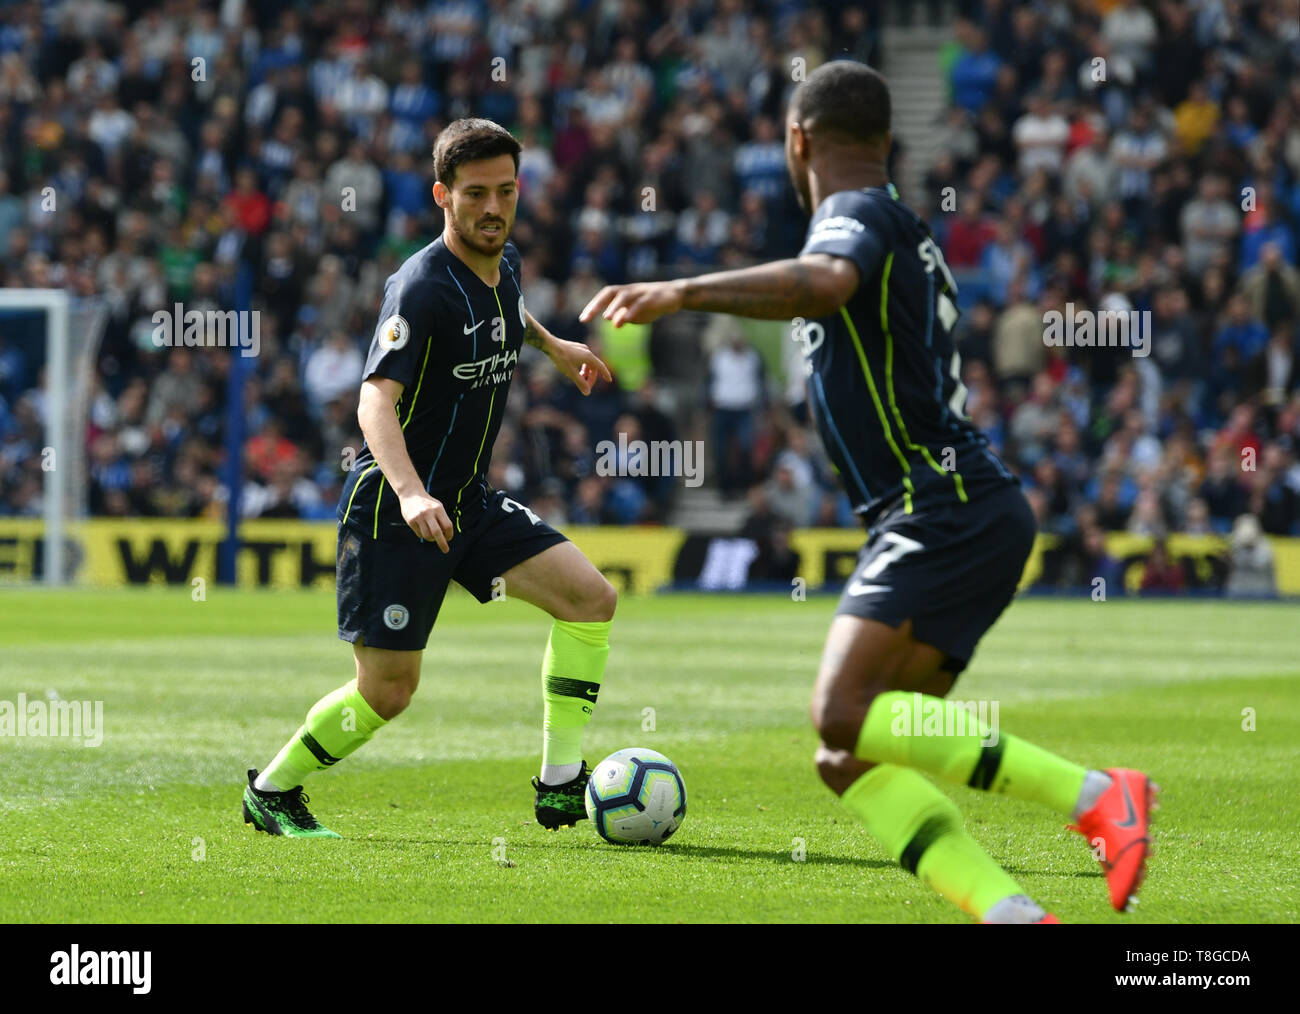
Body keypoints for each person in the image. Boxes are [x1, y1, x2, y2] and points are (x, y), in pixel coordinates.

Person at [580, 62, 1154, 923]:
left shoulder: (853, 219)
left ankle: (1100, 795)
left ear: (797, 140)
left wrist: (685, 291)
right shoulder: (907, 229)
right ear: (885, 141)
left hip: (940, 506)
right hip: (963, 507)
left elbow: (825, 283)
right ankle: (1013, 915)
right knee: (848, 755)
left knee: (840, 712)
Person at [242, 119, 616, 837]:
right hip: (394, 509)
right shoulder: (418, 288)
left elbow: (507, 311)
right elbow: (372, 400)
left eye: (506, 191)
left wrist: (553, 344)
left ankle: (562, 781)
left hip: (467, 501)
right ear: (442, 195)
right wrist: (412, 492)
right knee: (387, 693)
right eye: (475, 194)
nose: (493, 208)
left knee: (589, 600)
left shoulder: (503, 265)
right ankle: (272, 788)